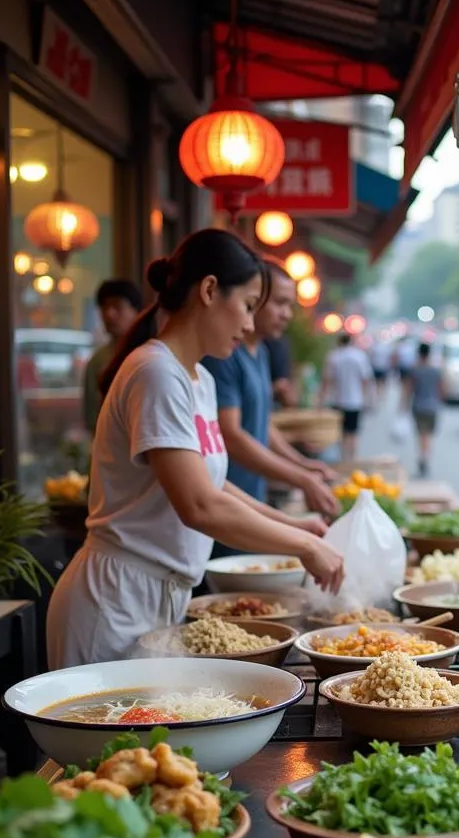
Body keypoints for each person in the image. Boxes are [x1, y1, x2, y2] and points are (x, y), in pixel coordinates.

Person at [47, 229, 344, 669]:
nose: (248, 325)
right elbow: (200, 505)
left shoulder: (198, 379)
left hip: (158, 594)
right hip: (116, 599)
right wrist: (301, 544)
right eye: (246, 306)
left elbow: (213, 484)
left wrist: (293, 524)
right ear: (208, 290)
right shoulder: (156, 373)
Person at [203, 258, 337, 528]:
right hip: (225, 505)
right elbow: (231, 435)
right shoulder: (224, 355)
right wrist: (299, 477)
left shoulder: (261, 351)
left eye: (290, 305)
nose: (287, 314)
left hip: (252, 498)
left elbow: (261, 425)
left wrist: (301, 465)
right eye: (279, 303)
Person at [83, 279, 142, 432]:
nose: (109, 314)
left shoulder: (150, 355)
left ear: (136, 311)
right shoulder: (98, 361)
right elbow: (91, 417)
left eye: (117, 306)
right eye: (104, 307)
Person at [321, 333, 373, 463]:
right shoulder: (359, 356)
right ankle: (351, 460)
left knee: (340, 434)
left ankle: (342, 459)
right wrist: (368, 398)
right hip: (355, 401)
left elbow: (327, 381)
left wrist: (321, 401)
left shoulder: (334, 356)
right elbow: (366, 380)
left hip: (337, 400)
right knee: (353, 433)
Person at [405, 342, 443, 478]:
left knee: (421, 434)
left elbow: (409, 389)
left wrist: (403, 405)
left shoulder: (416, 370)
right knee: (429, 435)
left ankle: (423, 456)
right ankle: (426, 457)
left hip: (419, 406)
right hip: (433, 407)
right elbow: (442, 389)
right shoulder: (436, 370)